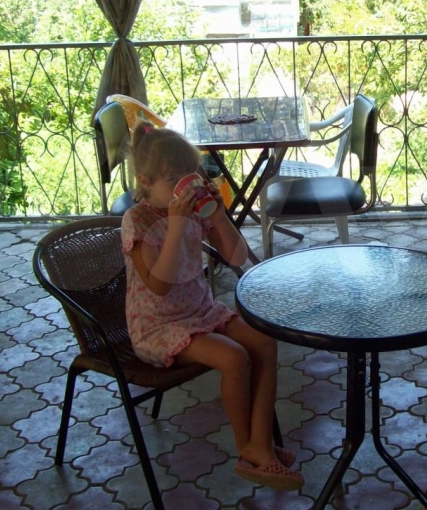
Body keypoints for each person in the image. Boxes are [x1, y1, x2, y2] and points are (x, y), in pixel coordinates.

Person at [121, 121, 304, 491]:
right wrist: (176, 225)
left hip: (200, 312)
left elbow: (237, 257)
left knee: (264, 342)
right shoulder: (138, 220)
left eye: (191, 174)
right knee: (234, 358)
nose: (185, 185)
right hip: (159, 327)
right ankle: (247, 448)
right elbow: (159, 285)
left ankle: (261, 443)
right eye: (173, 179)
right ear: (145, 181)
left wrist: (219, 216)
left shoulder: (192, 213)